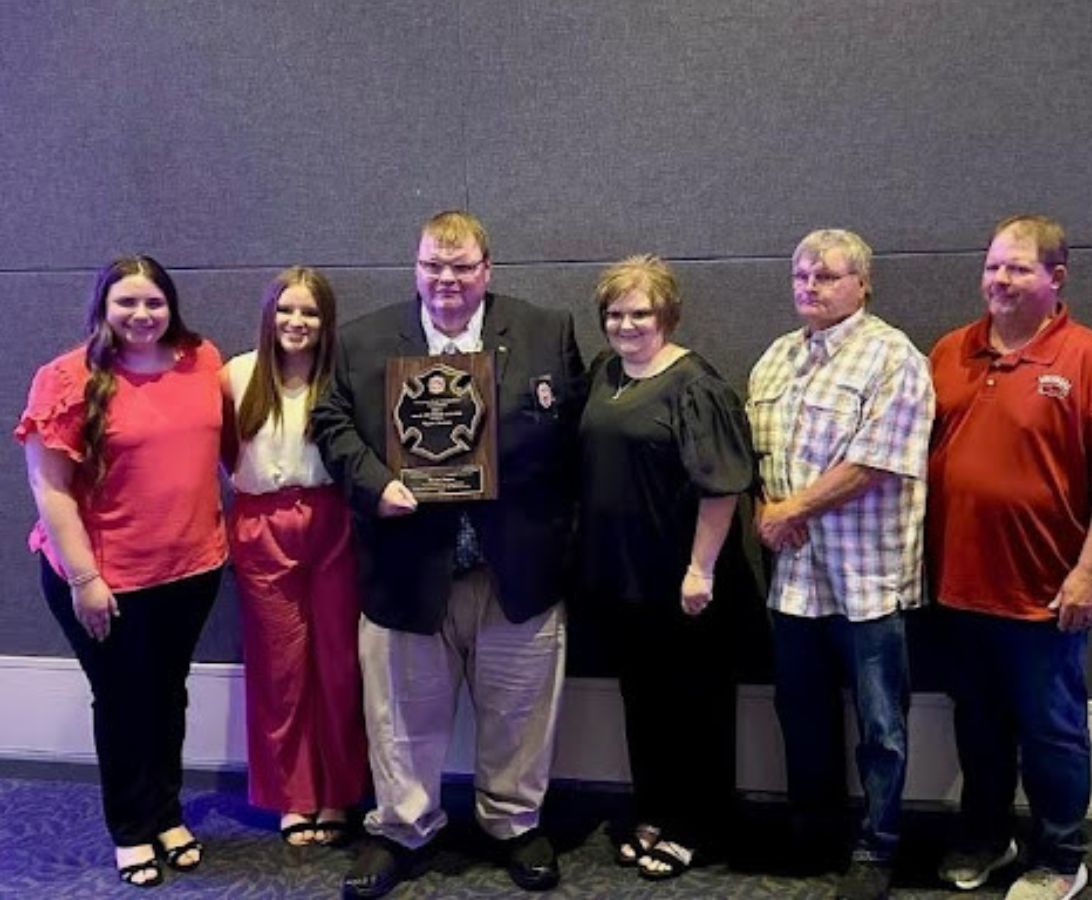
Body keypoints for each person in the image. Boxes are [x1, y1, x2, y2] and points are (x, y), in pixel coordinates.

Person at [311, 210, 584, 898]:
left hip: (516, 565)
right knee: (402, 715)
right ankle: (402, 826)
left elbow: (575, 434)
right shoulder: (366, 340)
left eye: (462, 268)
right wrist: (378, 487)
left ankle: (513, 823)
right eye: (433, 265)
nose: (447, 281)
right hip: (408, 561)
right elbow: (331, 423)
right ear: (416, 266)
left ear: (487, 270)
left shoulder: (545, 331)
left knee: (520, 709)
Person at [928, 215, 1092, 900]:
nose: (999, 278)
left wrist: (1090, 574)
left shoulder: (1091, 361)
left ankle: (1061, 857)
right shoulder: (950, 352)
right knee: (978, 731)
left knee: (1052, 735)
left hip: (1045, 598)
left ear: (1056, 278)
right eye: (993, 264)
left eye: (1018, 267)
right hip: (957, 591)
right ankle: (987, 840)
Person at [16, 256, 227, 887]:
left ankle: (166, 812)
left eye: (154, 303)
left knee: (168, 694)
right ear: (102, 306)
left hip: (191, 570)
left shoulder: (202, 360)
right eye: (127, 303)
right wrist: (85, 580)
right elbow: (48, 488)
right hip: (103, 579)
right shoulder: (65, 378)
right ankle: (131, 829)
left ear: (172, 306)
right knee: (122, 700)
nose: (142, 315)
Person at [747, 229, 934, 900]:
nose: (810, 287)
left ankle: (876, 848)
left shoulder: (894, 358)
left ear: (863, 284)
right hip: (795, 581)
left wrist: (788, 508)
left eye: (826, 276)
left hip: (869, 581)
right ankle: (813, 835)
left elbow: (875, 463)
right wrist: (767, 507)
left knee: (881, 727)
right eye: (801, 275)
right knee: (801, 713)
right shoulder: (774, 358)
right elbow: (757, 459)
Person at [578, 255, 754, 881]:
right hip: (622, 579)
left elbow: (723, 488)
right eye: (615, 313)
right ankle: (653, 810)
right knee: (643, 702)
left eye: (640, 312)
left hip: (683, 581)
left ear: (668, 315)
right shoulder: (605, 374)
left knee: (696, 706)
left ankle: (698, 826)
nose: (627, 324)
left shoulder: (695, 385)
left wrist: (700, 569)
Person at [222, 267, 368, 847]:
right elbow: (211, 451)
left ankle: (336, 793)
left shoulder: (342, 378)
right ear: (269, 315)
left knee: (338, 663)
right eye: (286, 310)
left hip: (335, 521)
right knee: (280, 669)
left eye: (309, 313)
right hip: (261, 525)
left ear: (325, 321)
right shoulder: (236, 374)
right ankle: (293, 796)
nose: (296, 322)